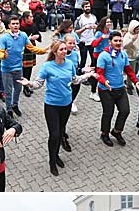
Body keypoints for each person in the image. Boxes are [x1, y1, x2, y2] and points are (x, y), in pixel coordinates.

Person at [19, 39, 92, 176]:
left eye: (65, 49)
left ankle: (56, 154)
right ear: (55, 52)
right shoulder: (47, 66)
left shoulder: (69, 64)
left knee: (61, 131)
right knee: (54, 134)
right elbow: (39, 84)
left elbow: (74, 80)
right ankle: (52, 161)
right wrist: (28, 83)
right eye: (61, 49)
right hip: (52, 105)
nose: (65, 51)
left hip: (66, 104)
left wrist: (87, 75)